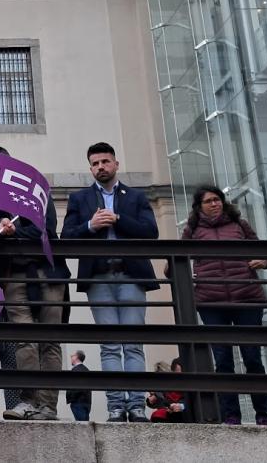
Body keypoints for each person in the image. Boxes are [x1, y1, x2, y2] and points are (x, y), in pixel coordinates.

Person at [63, 142, 160, 422]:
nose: (101, 167)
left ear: (116, 164)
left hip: (131, 275)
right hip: (99, 277)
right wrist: (90, 226)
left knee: (133, 344)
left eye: (105, 161)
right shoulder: (79, 198)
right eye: (95, 163)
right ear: (90, 168)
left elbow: (150, 232)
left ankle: (137, 405)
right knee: (109, 345)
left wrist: (117, 219)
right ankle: (116, 406)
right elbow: (66, 236)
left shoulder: (136, 196)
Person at [0, 145, 70, 422]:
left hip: (48, 272)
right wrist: (0, 226)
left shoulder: (35, 188)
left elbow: (45, 228)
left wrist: (15, 230)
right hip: (14, 275)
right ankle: (27, 401)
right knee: (23, 339)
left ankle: (48, 406)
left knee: (50, 340)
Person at [180, 184, 267, 426]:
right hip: (212, 302)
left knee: (253, 358)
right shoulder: (192, 230)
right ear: (199, 207)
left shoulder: (239, 224)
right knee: (223, 361)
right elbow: (177, 260)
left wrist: (264, 260)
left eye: (217, 199)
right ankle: (231, 415)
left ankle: (262, 414)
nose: (214, 204)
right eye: (208, 201)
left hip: (247, 298)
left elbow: (264, 252)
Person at [146, 359, 187, 423]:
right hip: (170, 412)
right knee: (157, 415)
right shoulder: (162, 391)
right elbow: (159, 401)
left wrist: (180, 406)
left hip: (182, 413)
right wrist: (153, 399)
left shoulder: (182, 386)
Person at [66, 350, 92, 421]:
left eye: (72, 355)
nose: (71, 357)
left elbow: (76, 387)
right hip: (86, 402)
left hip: (78, 402)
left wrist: (71, 398)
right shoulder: (86, 369)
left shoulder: (76, 370)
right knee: (85, 423)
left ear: (76, 357)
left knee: (81, 424)